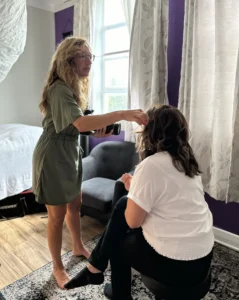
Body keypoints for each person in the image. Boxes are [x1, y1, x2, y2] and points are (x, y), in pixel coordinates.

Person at [32, 37, 149, 289]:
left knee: (76, 204)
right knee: (57, 215)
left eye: (90, 56)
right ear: (69, 60)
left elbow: (77, 126)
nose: (89, 61)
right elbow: (81, 123)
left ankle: (77, 245)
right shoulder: (59, 88)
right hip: (52, 155)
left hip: (70, 152)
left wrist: (95, 133)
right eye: (83, 55)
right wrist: (123, 113)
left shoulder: (73, 88)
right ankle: (57, 266)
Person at [65, 105, 214, 300]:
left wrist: (134, 192)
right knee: (124, 205)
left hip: (178, 268)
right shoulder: (187, 163)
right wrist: (136, 188)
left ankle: (115, 290)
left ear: (151, 133)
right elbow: (169, 197)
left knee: (117, 239)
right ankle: (94, 268)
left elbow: (133, 222)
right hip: (202, 262)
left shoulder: (151, 165)